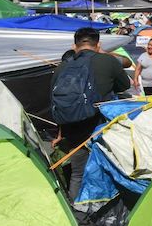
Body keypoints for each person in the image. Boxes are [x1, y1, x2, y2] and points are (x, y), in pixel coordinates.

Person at [51, 27, 131, 204]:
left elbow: (56, 100)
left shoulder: (63, 66)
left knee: (78, 174)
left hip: (74, 130)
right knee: (110, 171)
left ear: (74, 45)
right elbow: (124, 85)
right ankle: (105, 212)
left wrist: (60, 134)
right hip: (103, 128)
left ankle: (77, 214)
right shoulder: (107, 61)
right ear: (98, 44)